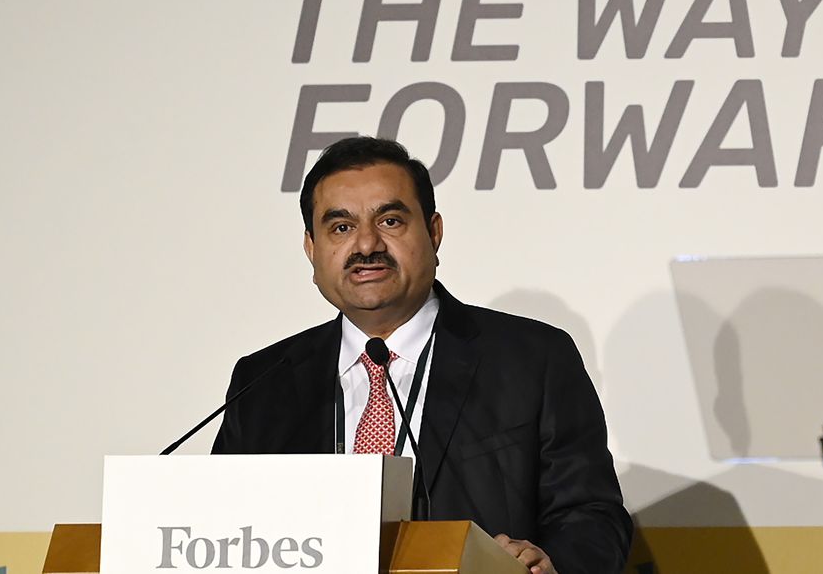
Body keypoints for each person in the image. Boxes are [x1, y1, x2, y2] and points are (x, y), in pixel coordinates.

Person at [212, 136, 632, 574]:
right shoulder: (263, 382)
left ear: (433, 232)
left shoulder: (533, 359)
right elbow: (219, 525)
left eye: (390, 221)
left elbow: (593, 516)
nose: (366, 245)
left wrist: (554, 563)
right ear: (311, 249)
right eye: (340, 227)